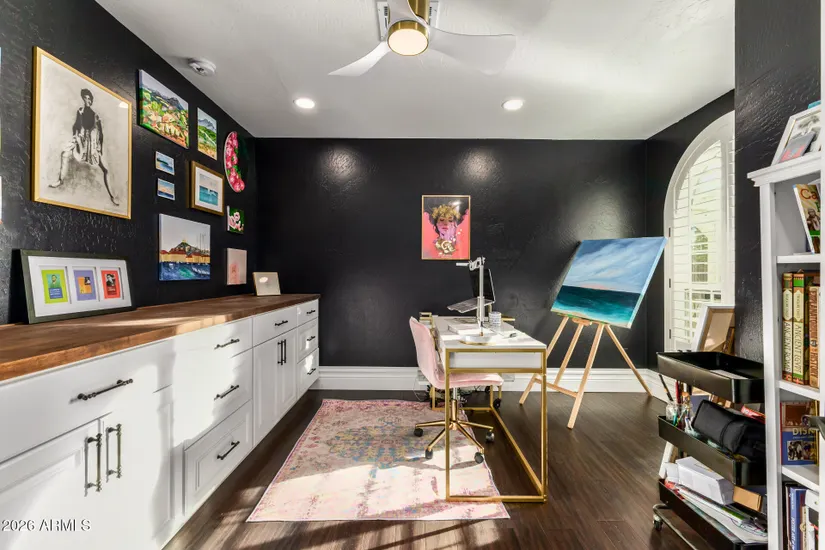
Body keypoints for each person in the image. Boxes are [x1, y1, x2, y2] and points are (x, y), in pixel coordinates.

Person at [51, 88, 119, 206]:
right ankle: (60, 180)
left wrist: (100, 148)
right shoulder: (80, 111)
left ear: (92, 100)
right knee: (64, 154)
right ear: (83, 99)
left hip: (92, 145)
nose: (88, 100)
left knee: (106, 170)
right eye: (86, 98)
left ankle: (112, 196)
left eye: (89, 98)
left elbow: (101, 134)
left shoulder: (96, 116)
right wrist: (75, 135)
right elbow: (75, 125)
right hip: (81, 141)